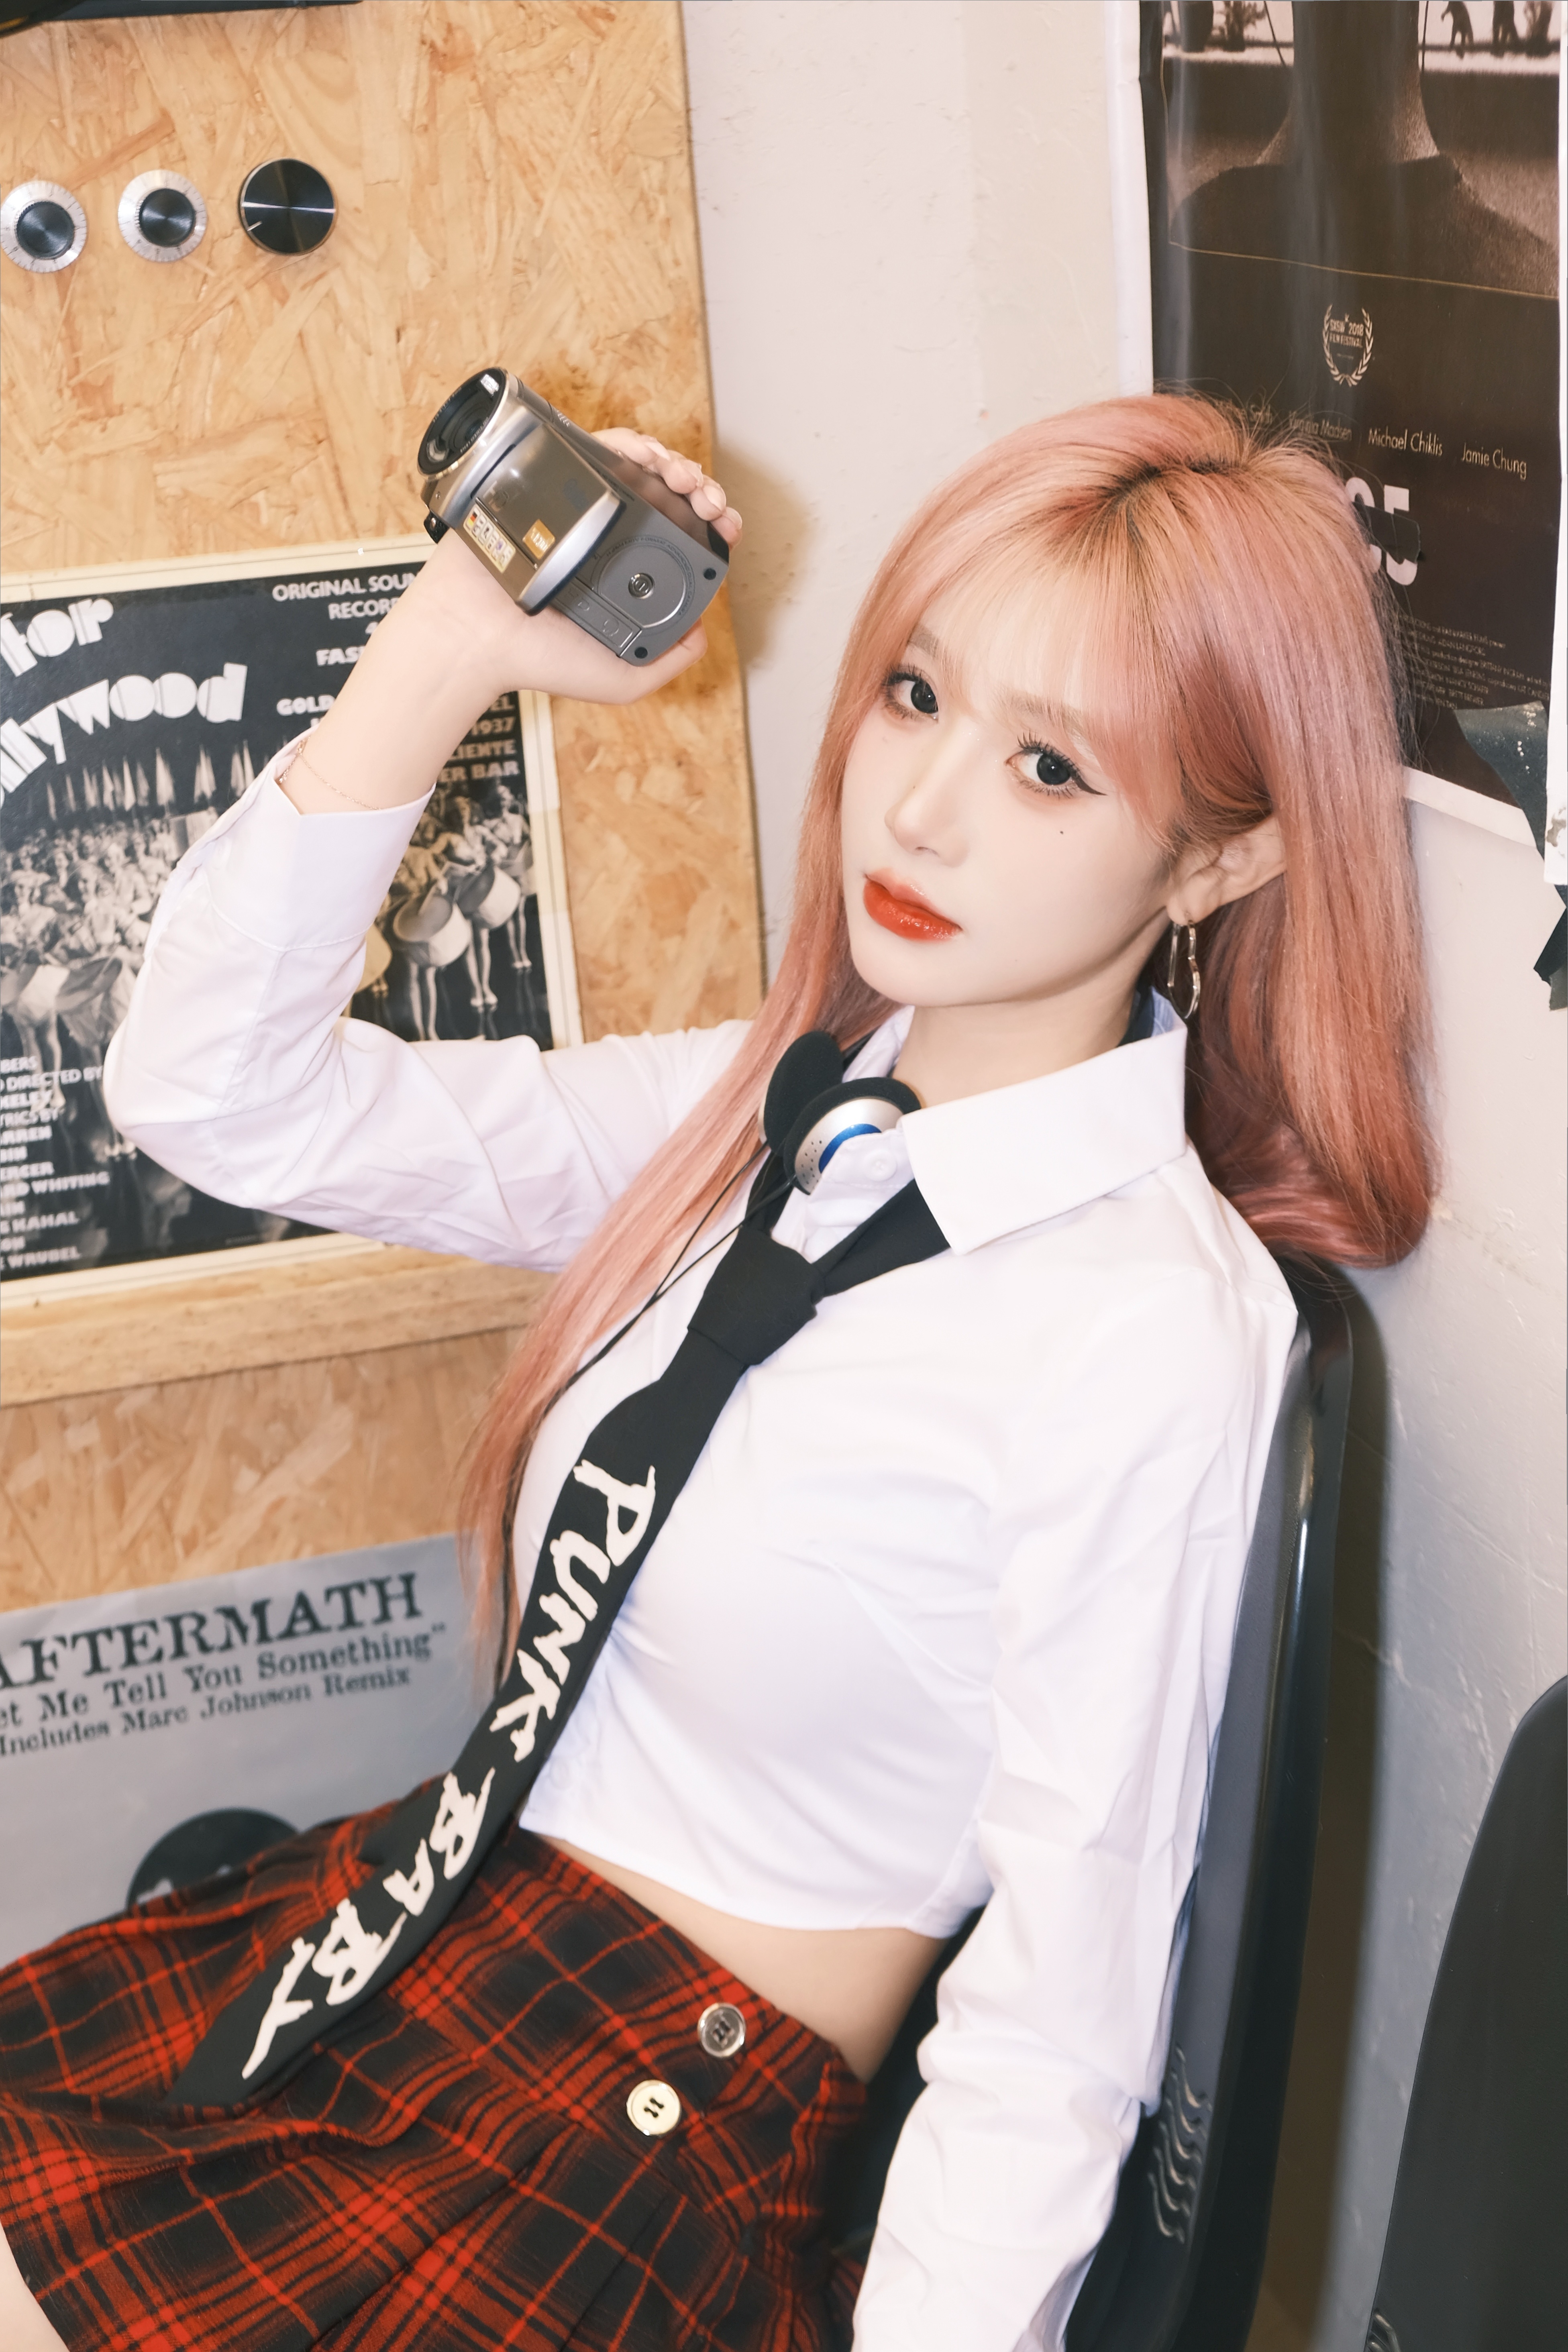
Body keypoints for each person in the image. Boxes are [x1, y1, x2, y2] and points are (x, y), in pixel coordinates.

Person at [0, 396, 1433, 2352]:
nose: (916, 811)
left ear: (1216, 857)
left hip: (638, 2132)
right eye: (915, 695)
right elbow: (210, 1094)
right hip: (411, 1933)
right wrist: (455, 635)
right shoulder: (752, 1119)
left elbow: (1059, 2023)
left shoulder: (1144, 1330)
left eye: (1047, 767)